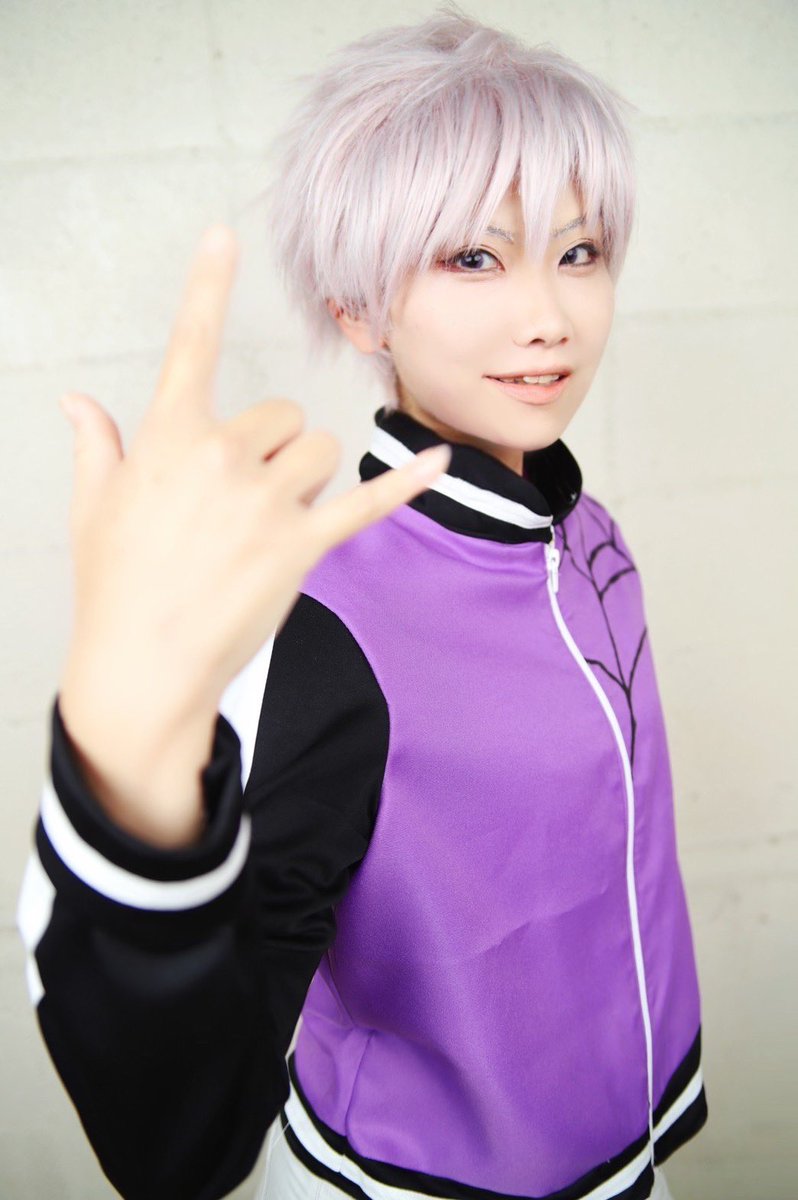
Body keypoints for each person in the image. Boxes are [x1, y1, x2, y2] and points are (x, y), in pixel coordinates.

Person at [16, 6, 708, 1200]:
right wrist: (124, 777)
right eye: (475, 257)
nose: (549, 315)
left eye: (580, 251)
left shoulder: (587, 533)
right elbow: (178, 1146)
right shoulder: (330, 626)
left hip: (626, 1148)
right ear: (358, 308)